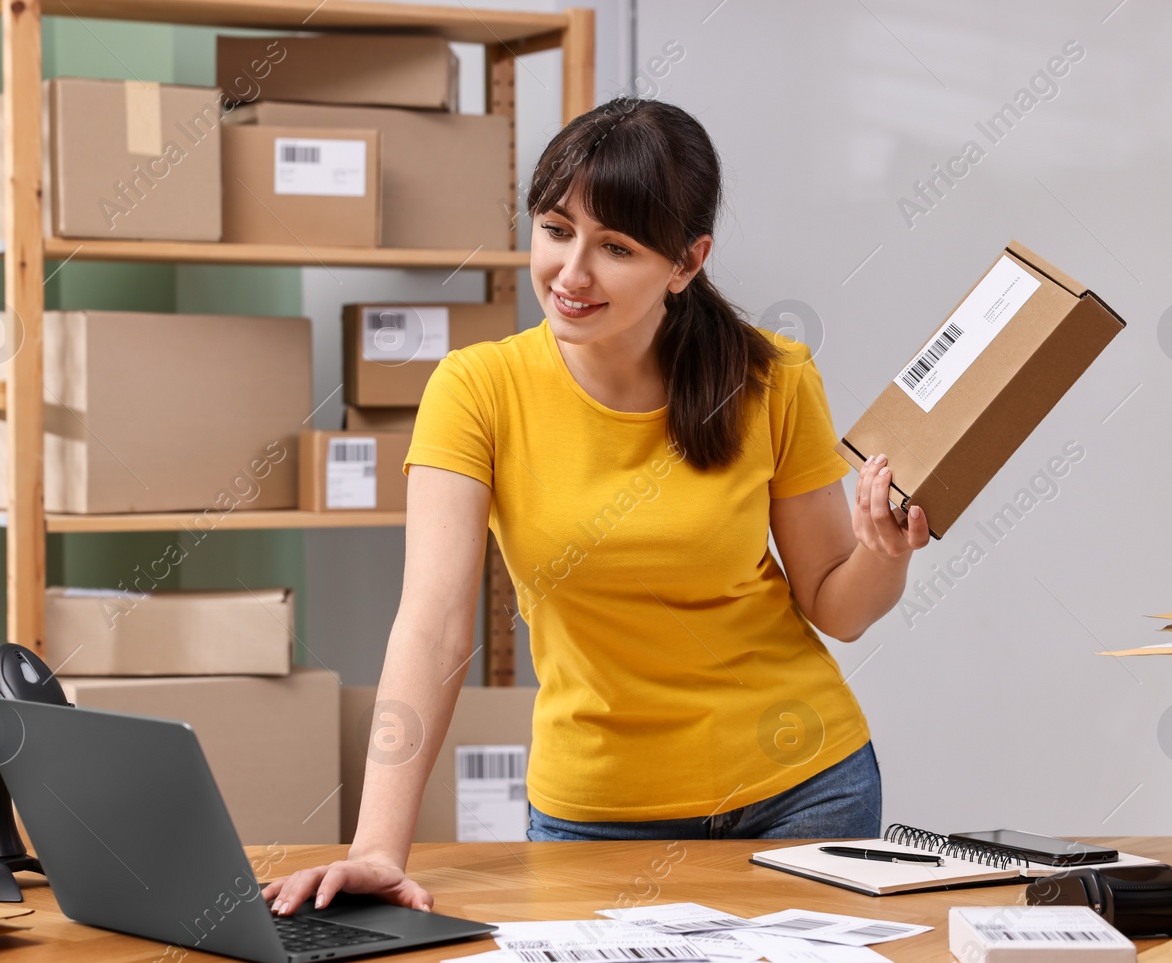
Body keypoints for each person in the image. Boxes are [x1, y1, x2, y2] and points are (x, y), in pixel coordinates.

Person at [263, 97, 929, 917]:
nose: (572, 273)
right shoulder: (478, 390)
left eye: (616, 246)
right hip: (596, 816)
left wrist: (884, 553)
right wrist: (375, 848)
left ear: (686, 263)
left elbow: (836, 604)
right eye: (555, 229)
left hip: (804, 791)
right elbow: (433, 625)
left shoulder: (772, 378)